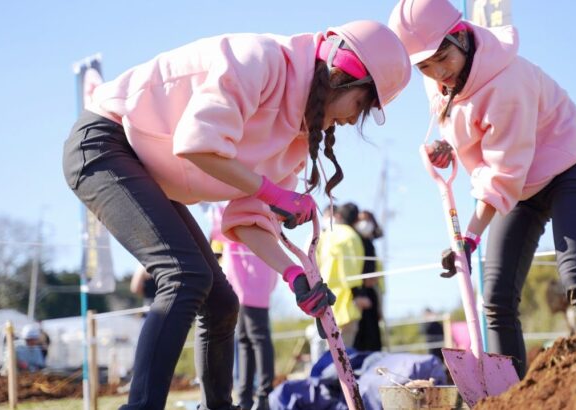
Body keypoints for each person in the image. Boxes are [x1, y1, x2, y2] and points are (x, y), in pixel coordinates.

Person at [62, 20, 410, 410]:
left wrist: (294, 275)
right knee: (185, 274)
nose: (352, 120)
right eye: (361, 104)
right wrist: (274, 192)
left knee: (222, 302)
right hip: (104, 145)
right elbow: (197, 144)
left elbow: (248, 219)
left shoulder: (296, 139)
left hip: (145, 167)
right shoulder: (258, 62)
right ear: (340, 74)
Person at [389, 0, 576, 378]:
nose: (438, 72)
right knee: (494, 298)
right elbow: (478, 142)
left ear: (460, 36)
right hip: (519, 187)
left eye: (442, 58)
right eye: (425, 67)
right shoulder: (441, 83)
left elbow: (502, 173)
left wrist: (469, 238)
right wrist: (450, 150)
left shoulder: (506, 82)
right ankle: (512, 396)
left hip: (569, 169)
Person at [211, 205, 276, 410]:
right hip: (241, 282)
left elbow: (219, 228)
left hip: (252, 280)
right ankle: (246, 398)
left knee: (258, 338)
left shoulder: (245, 206)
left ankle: (265, 396)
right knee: (246, 340)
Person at [315, 203, 366, 348]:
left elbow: (315, 264)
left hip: (325, 300)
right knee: (344, 354)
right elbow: (351, 271)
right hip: (346, 303)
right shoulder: (350, 236)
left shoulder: (325, 235)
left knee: (330, 351)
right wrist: (358, 294)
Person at [351, 209, 385, 352]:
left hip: (373, 292)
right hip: (362, 291)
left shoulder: (370, 243)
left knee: (374, 333)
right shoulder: (357, 241)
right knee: (363, 333)